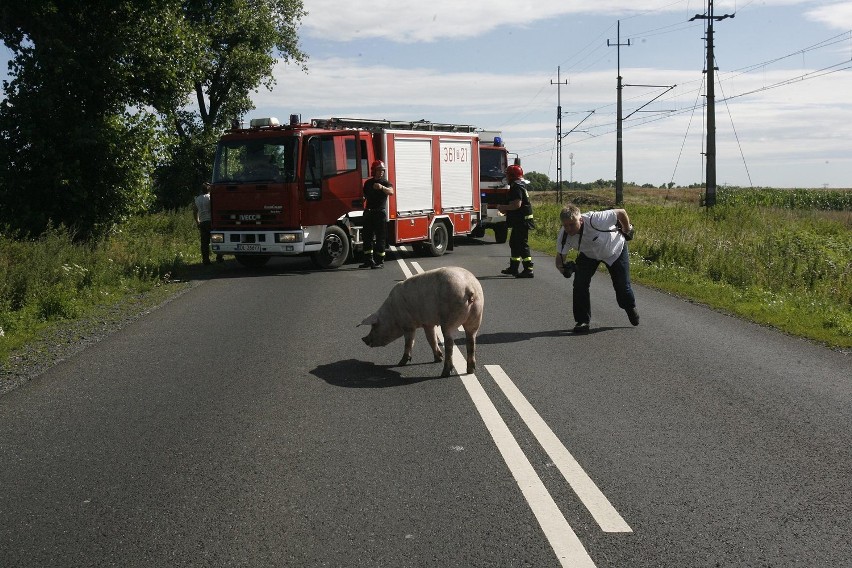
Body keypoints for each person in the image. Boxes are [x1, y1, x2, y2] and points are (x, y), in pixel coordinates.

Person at [555, 205, 639, 333]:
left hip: (615, 250)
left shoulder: (596, 219)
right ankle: (582, 322)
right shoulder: (564, 235)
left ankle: (629, 307)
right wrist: (564, 270)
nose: (568, 229)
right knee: (579, 285)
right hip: (589, 255)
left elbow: (621, 212)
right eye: (565, 225)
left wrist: (627, 230)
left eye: (572, 224)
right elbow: (559, 260)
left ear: (581, 220)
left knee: (623, 288)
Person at [497, 164, 535, 278]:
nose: (506, 177)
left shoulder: (517, 187)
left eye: (508, 175)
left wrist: (503, 207)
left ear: (512, 176)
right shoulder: (518, 185)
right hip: (519, 221)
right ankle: (514, 268)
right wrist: (508, 210)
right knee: (514, 243)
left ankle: (528, 269)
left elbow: (517, 204)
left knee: (522, 245)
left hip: (522, 222)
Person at [359, 160, 394, 269]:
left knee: (380, 238)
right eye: (379, 170)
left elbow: (391, 192)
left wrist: (382, 188)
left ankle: (379, 261)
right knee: (367, 238)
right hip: (369, 212)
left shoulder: (385, 183)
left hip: (380, 213)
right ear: (374, 171)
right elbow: (364, 195)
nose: (381, 172)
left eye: (382, 170)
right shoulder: (368, 183)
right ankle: (368, 260)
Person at [193, 182, 223, 265]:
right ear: (209, 189)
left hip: (202, 222)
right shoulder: (210, 198)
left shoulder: (197, 199)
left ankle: (205, 260)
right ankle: (219, 257)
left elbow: (195, 211)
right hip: (211, 221)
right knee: (217, 239)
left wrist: (197, 221)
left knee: (204, 243)